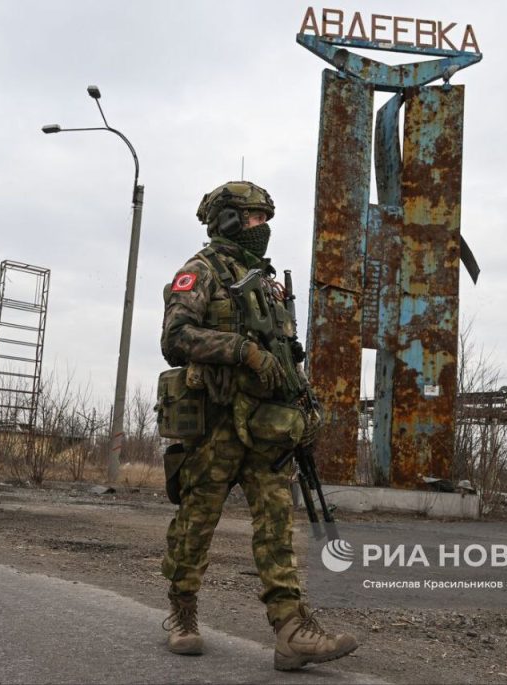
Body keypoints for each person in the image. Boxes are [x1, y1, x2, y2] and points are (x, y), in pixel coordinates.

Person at [158, 180, 358, 670]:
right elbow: (176, 337)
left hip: (266, 426)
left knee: (275, 523)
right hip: (216, 425)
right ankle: (182, 612)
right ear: (227, 220)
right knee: (196, 523)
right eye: (253, 218)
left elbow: (286, 353)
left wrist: (305, 402)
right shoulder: (199, 272)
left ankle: (291, 631)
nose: (261, 228)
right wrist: (241, 351)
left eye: (265, 219)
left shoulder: (267, 284)